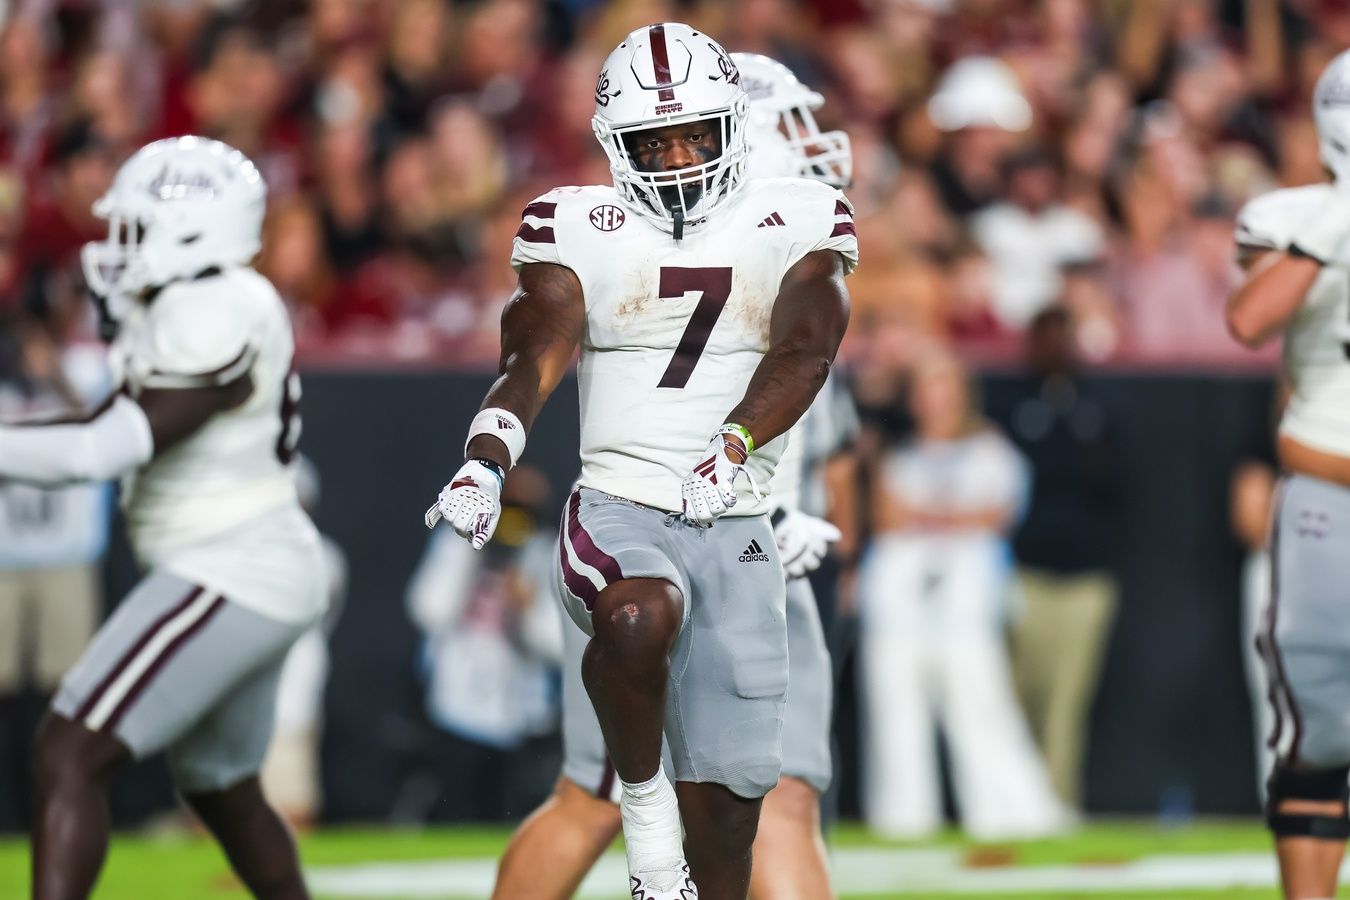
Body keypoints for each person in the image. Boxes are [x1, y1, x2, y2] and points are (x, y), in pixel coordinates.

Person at [425, 24, 856, 900]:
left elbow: (806, 355)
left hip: (739, 537)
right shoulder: (580, 223)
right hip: (630, 512)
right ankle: (650, 834)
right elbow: (531, 356)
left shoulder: (798, 220)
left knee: (734, 810)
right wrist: (485, 459)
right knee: (639, 644)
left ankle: (669, 837)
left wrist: (746, 462)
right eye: (653, 140)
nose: (677, 159)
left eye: (695, 133)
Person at [19, 136, 324, 900]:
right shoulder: (199, 300)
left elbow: (103, 447)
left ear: (193, 232)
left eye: (135, 227)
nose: (116, 246)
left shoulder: (214, 304)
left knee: (69, 751)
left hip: (231, 563)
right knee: (222, 787)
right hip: (251, 561)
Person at [1226, 48, 1350, 900]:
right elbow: (1249, 320)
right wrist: (1341, 219)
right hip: (1328, 494)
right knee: (1321, 724)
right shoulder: (1300, 216)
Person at [858, 351, 1067, 840]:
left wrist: (928, 517)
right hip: (898, 606)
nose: (936, 400)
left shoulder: (992, 451)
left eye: (945, 387)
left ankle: (1010, 813)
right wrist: (952, 517)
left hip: (966, 608)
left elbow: (997, 514)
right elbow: (887, 518)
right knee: (896, 716)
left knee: (982, 708)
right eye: (926, 389)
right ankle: (902, 820)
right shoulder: (896, 454)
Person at [987, 306, 1119, 812]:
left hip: (1084, 579)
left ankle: (1057, 805)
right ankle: (1014, 805)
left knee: (1067, 703)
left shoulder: (1098, 404)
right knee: (1017, 697)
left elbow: (1116, 485)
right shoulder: (1010, 404)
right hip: (1024, 574)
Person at [407, 465, 561, 823]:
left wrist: (528, 609)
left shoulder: (547, 555)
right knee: (453, 812)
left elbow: (560, 645)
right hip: (454, 706)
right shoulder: (457, 543)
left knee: (508, 817)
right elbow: (428, 610)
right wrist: (470, 559)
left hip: (520, 716)